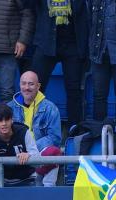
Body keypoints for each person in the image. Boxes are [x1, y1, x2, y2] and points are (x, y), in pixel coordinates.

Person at [31, 0, 90, 128]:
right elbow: (27, 5)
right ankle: (33, 128)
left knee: (74, 90)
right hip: (46, 42)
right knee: (35, 87)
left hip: (73, 44)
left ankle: (74, 131)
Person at [8, 71, 63, 187]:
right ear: (19, 84)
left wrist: (30, 150)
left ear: (38, 86)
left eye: (31, 84)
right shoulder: (9, 108)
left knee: (54, 152)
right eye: (23, 83)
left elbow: (55, 138)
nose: (26, 88)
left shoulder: (50, 108)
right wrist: (21, 151)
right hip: (16, 154)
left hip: (39, 154)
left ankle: (47, 191)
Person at [0, 103, 40, 187]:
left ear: (12, 119)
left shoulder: (24, 132)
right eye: (0, 120)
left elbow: (38, 160)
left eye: (7, 119)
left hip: (27, 180)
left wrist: (29, 155)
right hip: (2, 183)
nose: (4, 123)